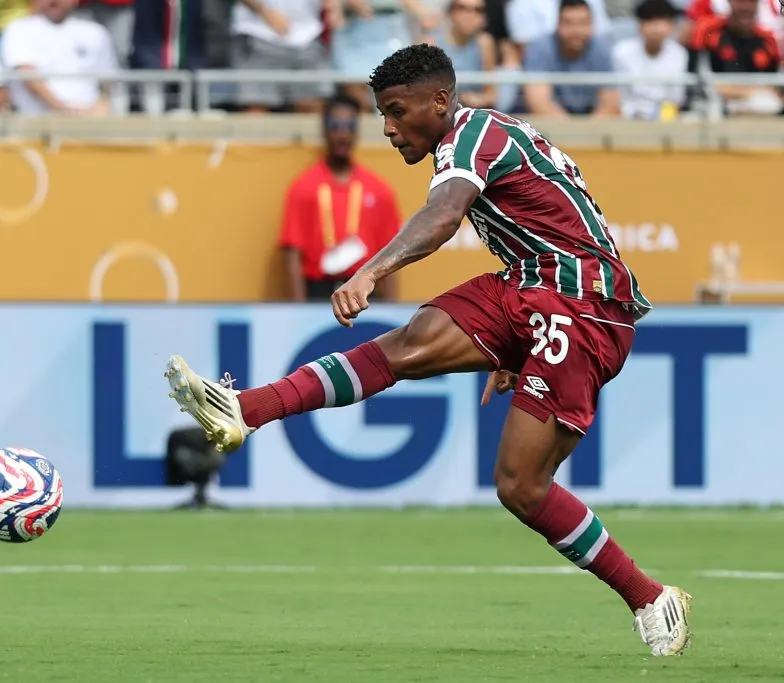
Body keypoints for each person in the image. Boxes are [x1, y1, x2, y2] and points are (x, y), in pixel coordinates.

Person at [163, 43, 692, 657]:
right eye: (381, 114)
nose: (387, 128)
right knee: (406, 345)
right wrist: (512, 345)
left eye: (395, 111)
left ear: (439, 101)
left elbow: (442, 216)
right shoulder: (476, 136)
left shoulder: (472, 138)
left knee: (520, 486)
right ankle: (245, 409)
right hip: (531, 287)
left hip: (584, 307)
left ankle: (650, 598)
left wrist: (370, 272)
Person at [279, 92, 403, 302]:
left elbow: (390, 254)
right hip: (318, 294)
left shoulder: (378, 189)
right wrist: (298, 310)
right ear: (325, 130)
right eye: (335, 126)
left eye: (349, 127)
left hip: (366, 293)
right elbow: (292, 255)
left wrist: (390, 308)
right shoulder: (304, 186)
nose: (342, 134)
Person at [612, 0, 688, 120]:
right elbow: (618, 96)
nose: (657, 29)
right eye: (651, 22)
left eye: (662, 22)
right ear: (640, 25)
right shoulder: (622, 52)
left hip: (665, 120)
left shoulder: (679, 54)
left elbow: (676, 99)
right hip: (627, 119)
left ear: (672, 26)